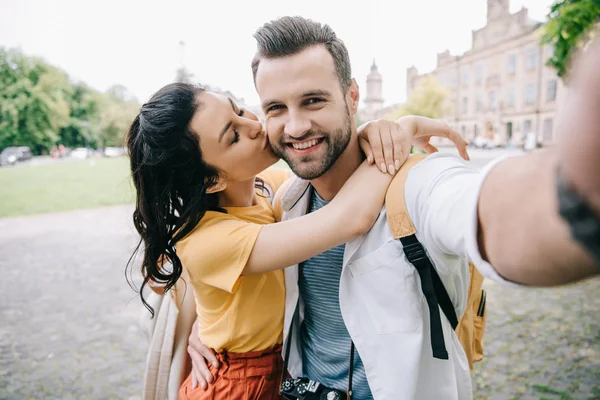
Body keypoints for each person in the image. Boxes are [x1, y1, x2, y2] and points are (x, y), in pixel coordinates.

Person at [188, 16, 599, 400]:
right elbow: (206, 254)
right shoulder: (283, 197)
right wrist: (203, 327)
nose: (294, 127)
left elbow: (485, 211)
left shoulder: (418, 184)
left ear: (352, 97)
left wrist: (579, 203)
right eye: (276, 108)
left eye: (313, 101)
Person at [127, 83, 469, 399]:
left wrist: (371, 131)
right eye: (233, 136)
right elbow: (348, 218)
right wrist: (403, 132)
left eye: (238, 109)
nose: (254, 125)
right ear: (212, 179)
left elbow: (334, 163)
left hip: (278, 372)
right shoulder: (210, 240)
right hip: (234, 387)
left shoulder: (266, 188)